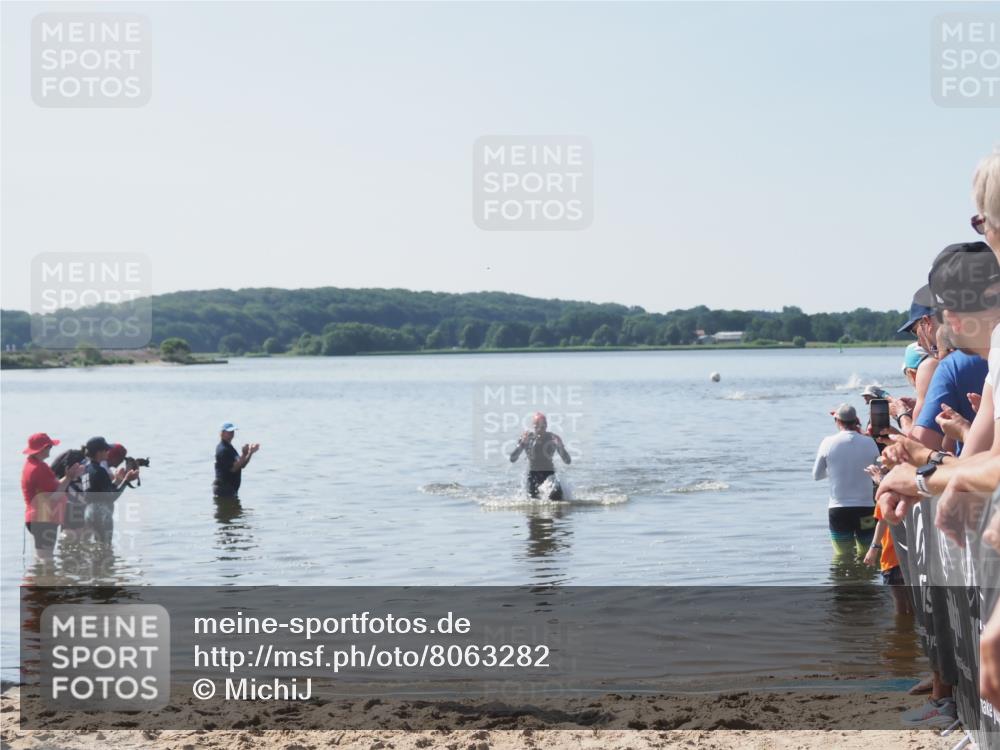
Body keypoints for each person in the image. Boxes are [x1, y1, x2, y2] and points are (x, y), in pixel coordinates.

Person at [812, 404, 880, 557]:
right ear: (856, 420)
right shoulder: (869, 442)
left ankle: (844, 579)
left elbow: (816, 475)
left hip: (839, 510)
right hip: (866, 508)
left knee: (842, 556)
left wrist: (835, 472)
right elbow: (880, 471)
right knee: (867, 554)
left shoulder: (827, 442)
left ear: (837, 420)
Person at [20, 433, 83, 560]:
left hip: (36, 518)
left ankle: (38, 579)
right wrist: (70, 478)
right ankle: (44, 579)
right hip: (44, 519)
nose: (51, 449)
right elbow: (54, 496)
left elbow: (53, 488)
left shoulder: (30, 464)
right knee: (46, 561)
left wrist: (68, 477)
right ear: (44, 448)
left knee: (41, 559)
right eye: (50, 447)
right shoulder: (39, 468)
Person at [82, 436, 138, 545]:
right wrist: (126, 481)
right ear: (99, 453)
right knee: (105, 547)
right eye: (106, 450)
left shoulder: (86, 469)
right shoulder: (100, 471)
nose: (108, 452)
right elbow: (112, 497)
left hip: (89, 511)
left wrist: (118, 480)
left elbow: (102, 490)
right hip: (101, 513)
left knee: (96, 546)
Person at [509, 412, 571, 500]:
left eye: (543, 426)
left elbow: (567, 461)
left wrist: (560, 446)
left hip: (549, 474)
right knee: (533, 504)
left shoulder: (553, 438)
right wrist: (522, 444)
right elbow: (512, 459)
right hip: (533, 476)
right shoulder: (527, 438)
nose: (540, 429)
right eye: (537, 426)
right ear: (533, 426)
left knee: (556, 495)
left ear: (546, 426)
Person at [214, 422, 260, 500]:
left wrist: (250, 453)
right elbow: (233, 468)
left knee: (234, 511)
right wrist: (244, 454)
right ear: (222, 433)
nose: (232, 434)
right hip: (224, 489)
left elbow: (242, 465)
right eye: (229, 432)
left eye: (232, 432)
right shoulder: (223, 450)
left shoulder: (229, 448)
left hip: (230, 489)